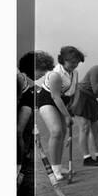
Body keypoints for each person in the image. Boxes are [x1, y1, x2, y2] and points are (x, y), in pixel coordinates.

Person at [35, 46, 84, 180]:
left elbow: (77, 90)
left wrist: (73, 105)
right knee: (56, 131)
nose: (74, 65)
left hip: (64, 102)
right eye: (72, 62)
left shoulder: (75, 72)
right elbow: (55, 97)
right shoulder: (55, 74)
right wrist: (67, 116)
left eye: (77, 62)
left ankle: (58, 166)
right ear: (63, 60)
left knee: (62, 133)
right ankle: (54, 170)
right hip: (48, 100)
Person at [17, 51, 55, 184]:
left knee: (19, 132)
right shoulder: (20, 78)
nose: (44, 74)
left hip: (24, 106)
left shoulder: (29, 85)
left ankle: (19, 167)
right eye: (42, 70)